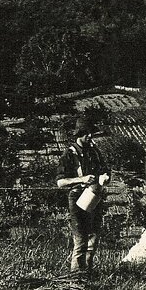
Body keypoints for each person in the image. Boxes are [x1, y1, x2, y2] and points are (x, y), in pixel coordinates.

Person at [55, 117, 110, 273]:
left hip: (94, 195)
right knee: (80, 238)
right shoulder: (69, 154)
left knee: (94, 236)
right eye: (87, 134)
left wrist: (104, 177)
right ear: (79, 134)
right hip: (77, 197)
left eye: (91, 133)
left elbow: (104, 170)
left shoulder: (94, 152)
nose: (90, 136)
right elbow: (60, 182)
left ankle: (87, 271)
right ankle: (76, 276)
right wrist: (82, 179)